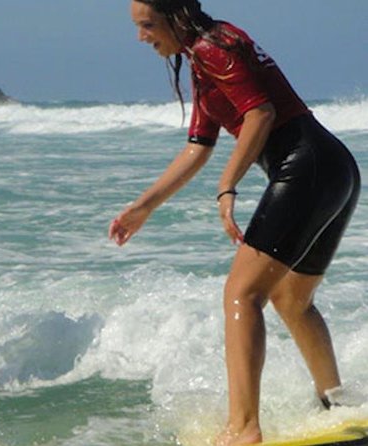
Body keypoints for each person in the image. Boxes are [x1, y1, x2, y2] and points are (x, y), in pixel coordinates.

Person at [108, 1, 360, 444]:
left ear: (175, 15)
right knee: (291, 299)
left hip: (307, 168)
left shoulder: (211, 49)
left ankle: (244, 428)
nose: (141, 37)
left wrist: (228, 187)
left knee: (242, 293)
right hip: (332, 167)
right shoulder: (208, 52)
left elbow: (259, 115)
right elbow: (198, 146)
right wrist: (144, 206)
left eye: (147, 25)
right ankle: (337, 405)